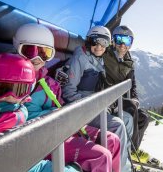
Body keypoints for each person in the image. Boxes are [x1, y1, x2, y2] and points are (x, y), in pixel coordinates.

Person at [13, 23, 121, 172]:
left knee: (112, 141)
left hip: (62, 123)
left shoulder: (48, 81)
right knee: (100, 156)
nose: (37, 58)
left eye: (44, 53)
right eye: (30, 50)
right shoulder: (13, 79)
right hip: (43, 133)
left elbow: (60, 102)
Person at [61, 25, 133, 171]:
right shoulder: (80, 58)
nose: (99, 46)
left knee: (127, 119)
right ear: (89, 41)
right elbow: (68, 91)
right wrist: (93, 105)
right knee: (118, 124)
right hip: (81, 108)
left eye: (104, 43)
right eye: (95, 42)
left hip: (95, 105)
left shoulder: (98, 59)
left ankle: (124, 163)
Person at [103, 25, 151, 164]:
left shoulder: (129, 62)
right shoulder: (106, 55)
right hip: (109, 99)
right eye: (119, 40)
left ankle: (132, 149)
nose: (123, 45)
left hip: (120, 98)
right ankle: (130, 151)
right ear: (113, 41)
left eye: (127, 41)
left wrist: (135, 97)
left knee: (143, 117)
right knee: (130, 108)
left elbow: (132, 84)